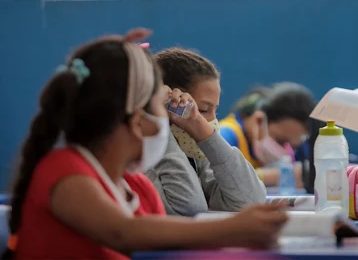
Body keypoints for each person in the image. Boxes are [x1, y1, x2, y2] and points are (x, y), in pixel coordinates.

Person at [4, 29, 287, 259]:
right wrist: (232, 228)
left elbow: (171, 230)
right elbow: (123, 232)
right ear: (137, 117)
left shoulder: (134, 187)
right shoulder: (66, 172)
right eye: (162, 110)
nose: (167, 122)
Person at [147, 48, 266, 216]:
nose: (208, 122)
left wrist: (208, 137)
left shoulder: (193, 153)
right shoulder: (143, 156)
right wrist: (160, 123)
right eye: (203, 110)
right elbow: (187, 209)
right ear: (168, 103)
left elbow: (250, 201)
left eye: (215, 110)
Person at [220, 83, 315, 188]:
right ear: (259, 121)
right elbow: (216, 180)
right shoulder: (225, 137)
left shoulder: (298, 145)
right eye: (280, 141)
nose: (285, 152)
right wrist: (271, 177)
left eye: (293, 146)